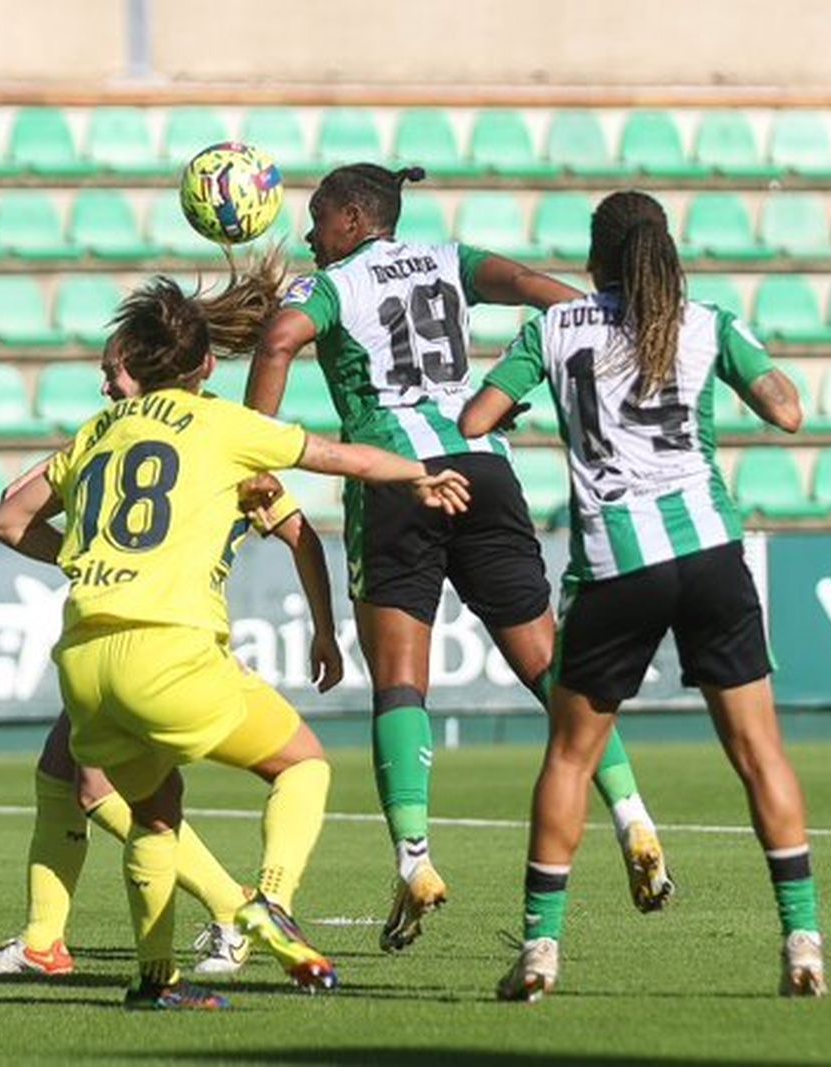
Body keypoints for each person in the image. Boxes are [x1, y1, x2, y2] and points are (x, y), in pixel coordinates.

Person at [0, 255, 471, 1011]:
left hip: (83, 655)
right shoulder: (223, 426)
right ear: (206, 362)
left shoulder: (97, 430)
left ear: (136, 366)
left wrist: (86, 559)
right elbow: (339, 457)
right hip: (169, 649)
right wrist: (417, 475)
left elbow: (7, 519)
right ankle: (268, 899)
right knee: (303, 764)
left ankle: (155, 981)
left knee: (152, 812)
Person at [247, 163, 672, 953]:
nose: (308, 235)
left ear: (351, 215)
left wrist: (253, 453)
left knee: (402, 680)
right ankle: (634, 818)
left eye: (315, 218)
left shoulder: (332, 284)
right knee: (552, 665)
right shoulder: (448, 259)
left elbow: (277, 340)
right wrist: (600, 332)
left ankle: (414, 861)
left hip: (400, 479)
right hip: (484, 468)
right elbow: (532, 285)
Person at [459, 190, 825, 1001]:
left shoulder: (552, 329)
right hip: (710, 554)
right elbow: (788, 411)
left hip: (616, 566)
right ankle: (802, 943)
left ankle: (541, 951)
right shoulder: (706, 323)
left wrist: (529, 403)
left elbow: (476, 417)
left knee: (569, 754)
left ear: (595, 259)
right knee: (760, 753)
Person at [0, 350, 343, 979]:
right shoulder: (128, 435)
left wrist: (325, 629)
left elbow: (296, 527)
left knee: (99, 788)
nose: (104, 382)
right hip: (129, 629)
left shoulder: (212, 435)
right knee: (62, 773)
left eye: (113, 369)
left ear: (148, 369)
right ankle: (46, 942)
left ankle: (232, 911)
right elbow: (11, 508)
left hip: (164, 635)